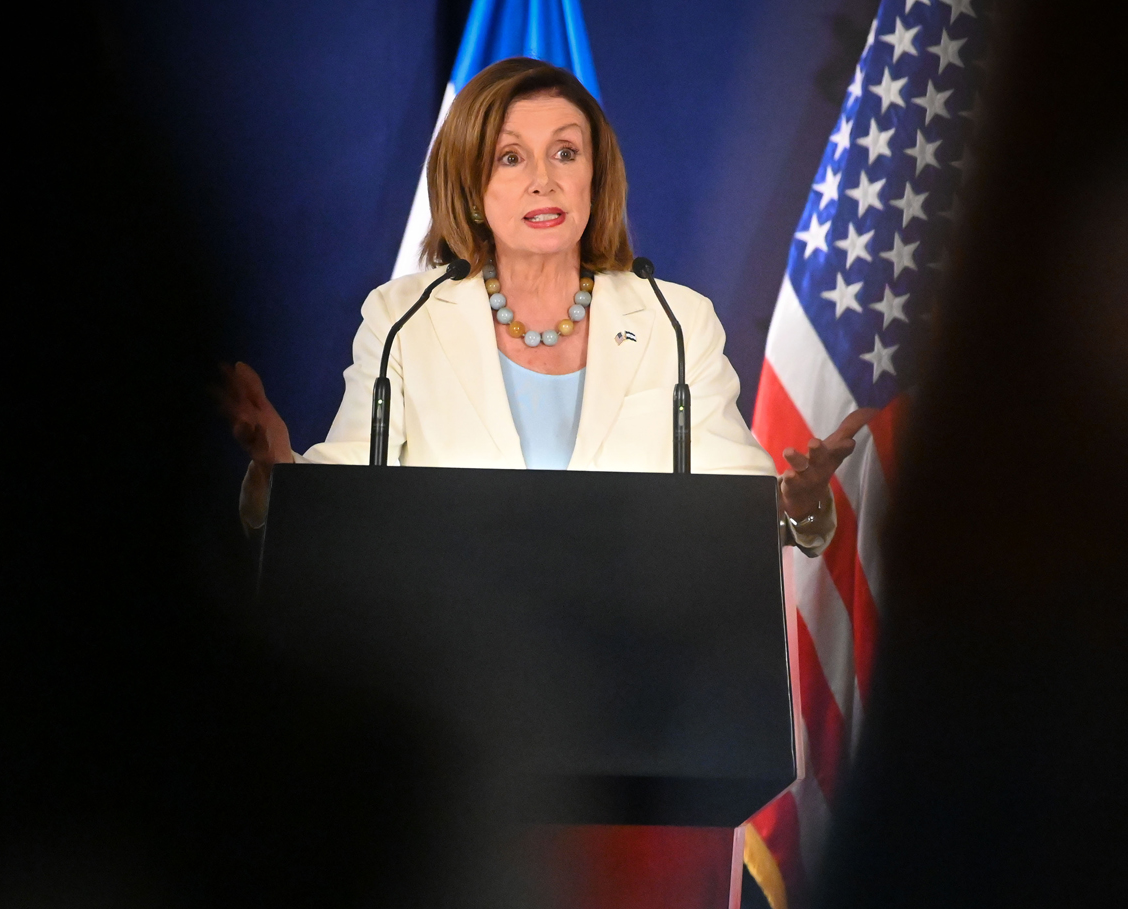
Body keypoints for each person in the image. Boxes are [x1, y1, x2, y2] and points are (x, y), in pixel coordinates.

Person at [223, 57, 870, 548]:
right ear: (471, 189)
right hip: (448, 675)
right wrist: (276, 468)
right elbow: (342, 504)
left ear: (595, 176)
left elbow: (745, 512)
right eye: (510, 158)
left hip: (634, 671)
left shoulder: (675, 321)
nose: (544, 179)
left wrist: (797, 503)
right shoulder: (402, 322)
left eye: (565, 151)